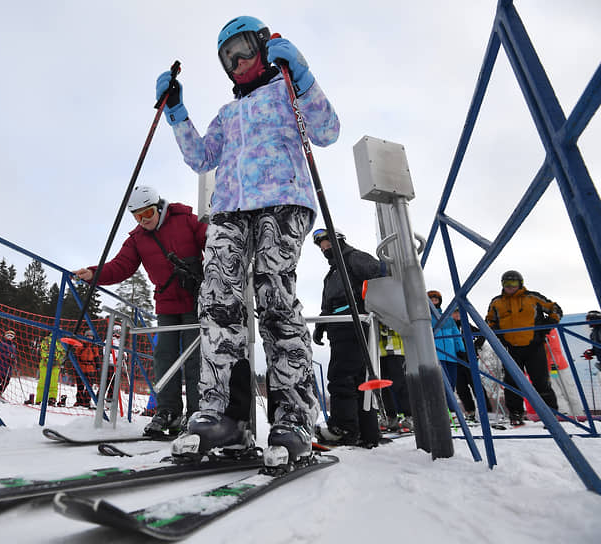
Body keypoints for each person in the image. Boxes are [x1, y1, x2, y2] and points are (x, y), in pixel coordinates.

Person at [156, 15, 339, 462]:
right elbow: (201, 158)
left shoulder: (288, 91)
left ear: (263, 44)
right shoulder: (229, 113)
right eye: (227, 58)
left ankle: (293, 416)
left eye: (242, 50)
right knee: (218, 300)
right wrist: (176, 112)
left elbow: (328, 131)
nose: (236, 63)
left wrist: (303, 73)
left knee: (274, 295)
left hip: (283, 200)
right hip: (230, 209)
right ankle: (223, 416)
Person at [73, 186, 207, 437]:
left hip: (195, 302)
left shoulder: (186, 220)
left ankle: (197, 412)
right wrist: (94, 274)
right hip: (166, 304)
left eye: (147, 213)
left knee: (194, 359)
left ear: (158, 207)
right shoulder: (137, 239)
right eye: (137, 216)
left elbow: (213, 243)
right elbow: (120, 266)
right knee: (163, 357)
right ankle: (168, 411)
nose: (144, 220)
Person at [312, 229, 382, 448]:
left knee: (341, 376)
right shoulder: (332, 274)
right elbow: (327, 306)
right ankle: (366, 431)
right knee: (358, 378)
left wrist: (372, 307)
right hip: (339, 327)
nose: (324, 249)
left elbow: (380, 274)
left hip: (355, 325)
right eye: (321, 246)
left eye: (327, 243)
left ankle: (343, 428)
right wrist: (321, 325)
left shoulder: (353, 258)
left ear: (338, 240)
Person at [485, 270, 562, 426]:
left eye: (513, 283)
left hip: (534, 345)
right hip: (511, 348)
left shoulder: (532, 297)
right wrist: (495, 334)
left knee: (540, 381)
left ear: (520, 283)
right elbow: (490, 321)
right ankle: (516, 414)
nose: (509, 287)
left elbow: (555, 308)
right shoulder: (497, 302)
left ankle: (551, 413)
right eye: (506, 283)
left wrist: (550, 323)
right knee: (512, 382)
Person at [452, 308, 492, 421]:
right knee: (461, 388)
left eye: (460, 313)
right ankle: (470, 411)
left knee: (476, 384)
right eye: (455, 313)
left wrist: (476, 345)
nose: (458, 315)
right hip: (455, 359)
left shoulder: (467, 325)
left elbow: (482, 334)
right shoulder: (449, 327)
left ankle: (486, 410)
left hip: (469, 358)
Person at [427, 290, 464, 400]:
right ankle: (445, 406)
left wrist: (461, 349)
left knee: (452, 382)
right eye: (431, 300)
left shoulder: (447, 317)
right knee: (444, 382)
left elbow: (456, 334)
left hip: (451, 355)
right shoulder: (426, 318)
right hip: (437, 354)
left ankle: (451, 407)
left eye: (436, 300)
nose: (434, 302)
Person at [378, 323, 412, 432]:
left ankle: (409, 416)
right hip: (378, 350)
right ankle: (390, 416)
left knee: (399, 384)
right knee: (382, 386)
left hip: (395, 348)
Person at [29, 332, 65, 406]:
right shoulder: (47, 340)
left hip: (56, 365)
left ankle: (52, 398)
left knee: (54, 382)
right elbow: (43, 351)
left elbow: (63, 353)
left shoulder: (61, 342)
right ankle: (39, 399)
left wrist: (59, 360)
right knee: (42, 381)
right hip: (45, 364)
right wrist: (50, 359)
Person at [72, 332, 100, 408]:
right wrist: (75, 366)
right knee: (80, 386)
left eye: (91, 336)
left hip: (90, 368)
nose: (90, 338)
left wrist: (98, 366)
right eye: (88, 336)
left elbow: (96, 357)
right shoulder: (80, 345)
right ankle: (79, 401)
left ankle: (86, 401)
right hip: (81, 367)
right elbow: (76, 355)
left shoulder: (94, 347)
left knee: (89, 386)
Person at [0, 330, 17, 402]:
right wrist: (8, 355)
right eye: (8, 336)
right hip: (2, 365)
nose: (10, 338)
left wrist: (14, 359)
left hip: (9, 366)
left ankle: (0, 393)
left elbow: (14, 355)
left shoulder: (13, 346)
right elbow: (0, 353)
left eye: (11, 336)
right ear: (5, 336)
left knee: (7, 380)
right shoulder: (2, 344)